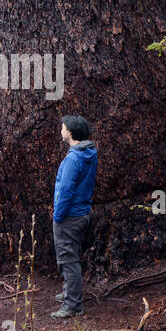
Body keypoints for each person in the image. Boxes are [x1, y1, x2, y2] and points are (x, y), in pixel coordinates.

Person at [51, 115, 98, 319]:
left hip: (69, 216)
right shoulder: (89, 152)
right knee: (71, 255)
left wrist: (58, 216)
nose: (61, 130)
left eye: (63, 128)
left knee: (67, 259)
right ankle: (68, 293)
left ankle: (73, 305)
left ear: (70, 132)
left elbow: (66, 189)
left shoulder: (73, 158)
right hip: (83, 212)